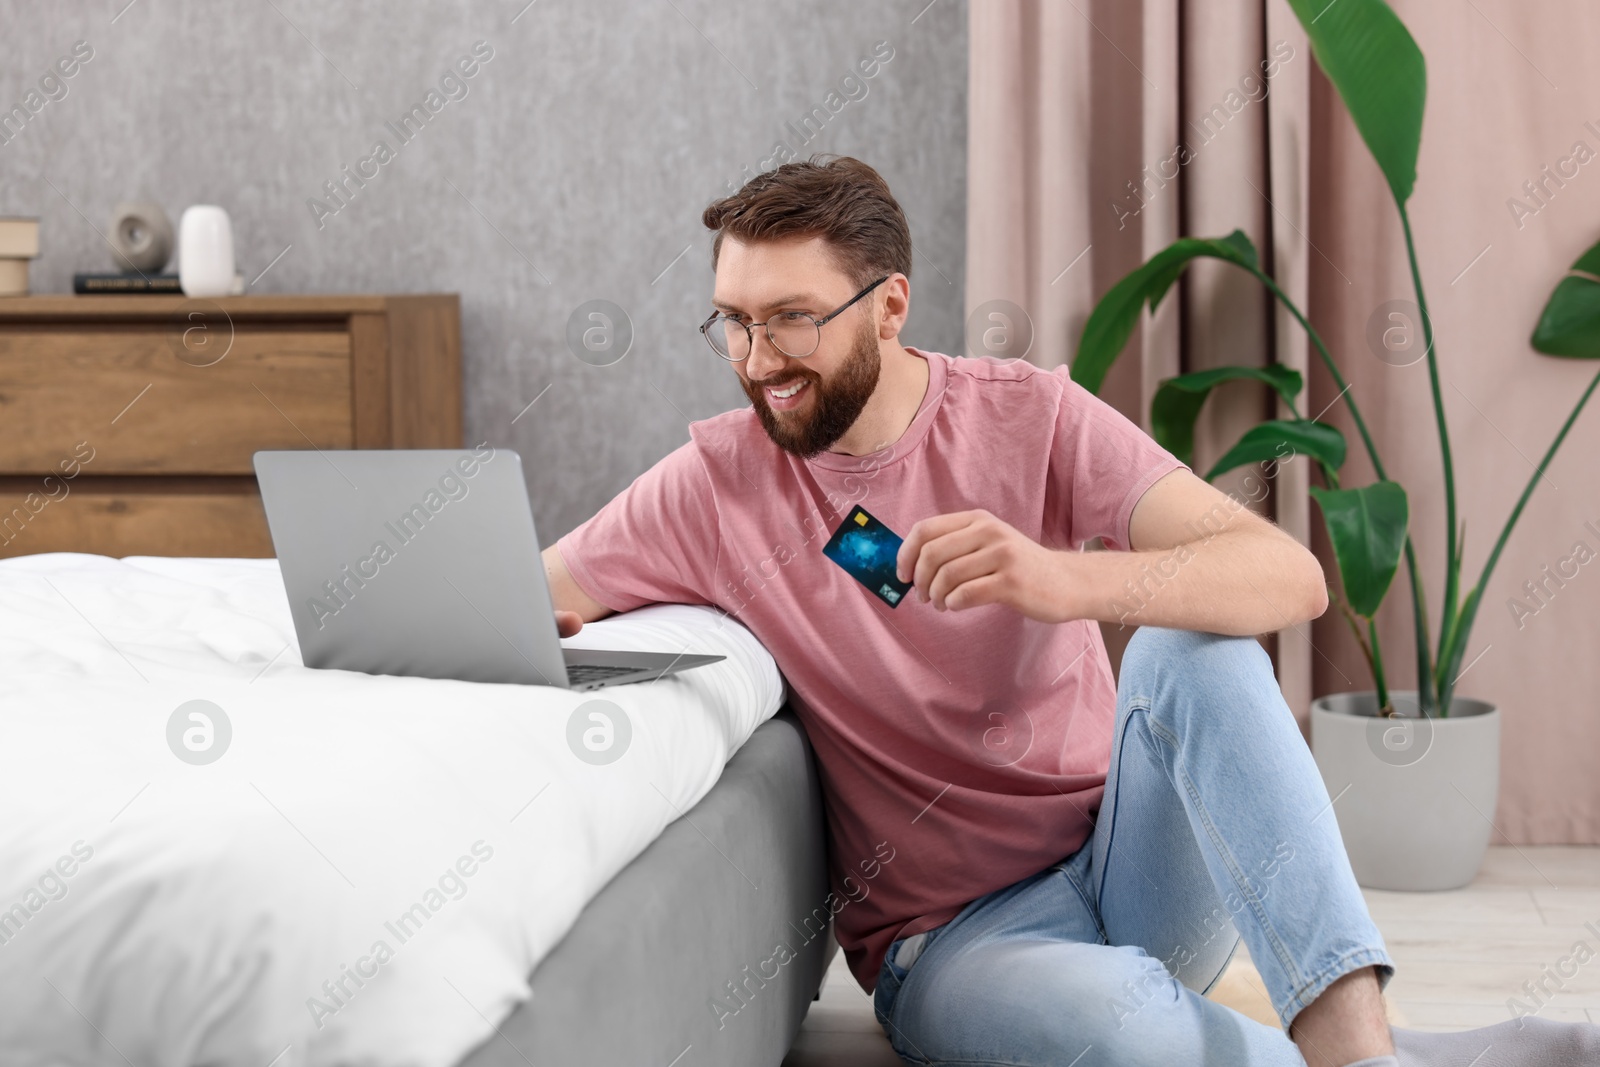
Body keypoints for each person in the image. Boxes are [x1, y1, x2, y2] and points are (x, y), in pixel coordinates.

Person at [543, 155, 1598, 1067]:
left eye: (790, 320)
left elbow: (1287, 577)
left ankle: (1353, 1043)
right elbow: (532, 586)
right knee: (1120, 1029)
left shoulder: (1027, 414)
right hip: (955, 939)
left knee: (1197, 643)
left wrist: (1062, 577)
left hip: (1122, 864)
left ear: (889, 306)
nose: (758, 359)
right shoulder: (716, 484)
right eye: (733, 321)